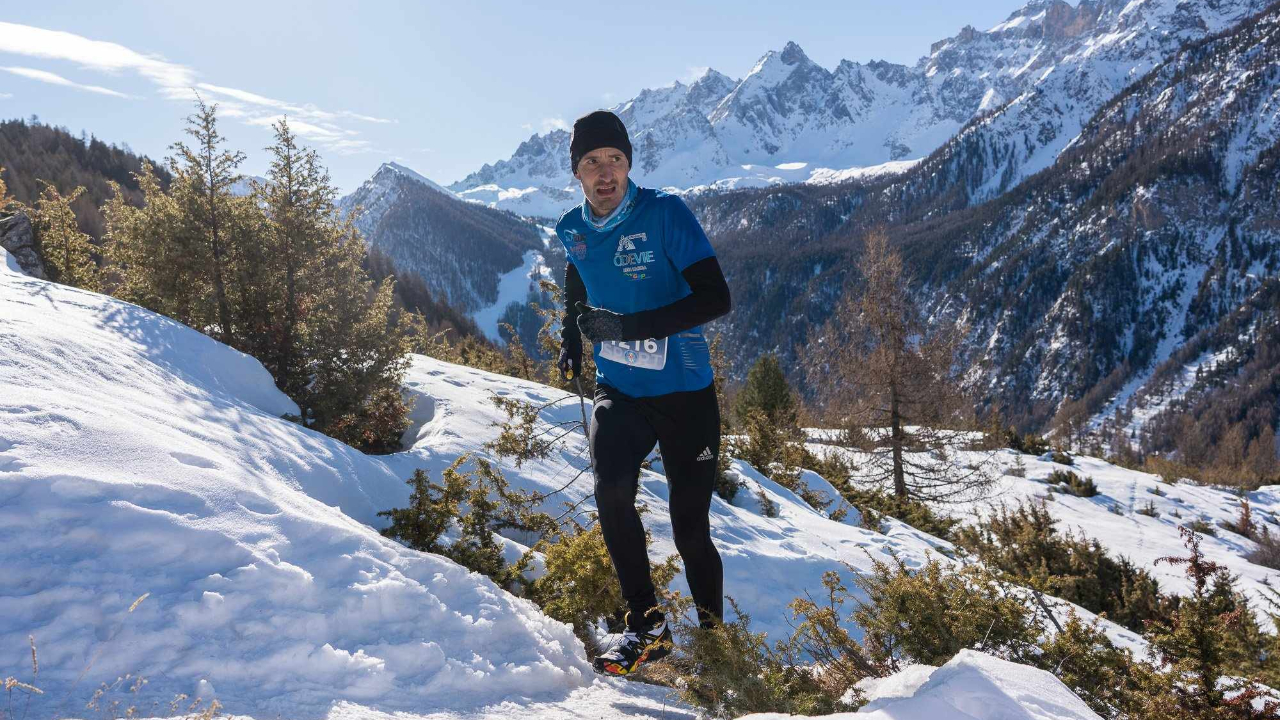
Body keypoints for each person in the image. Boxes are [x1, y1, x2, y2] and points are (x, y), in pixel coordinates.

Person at [554, 109, 732, 676]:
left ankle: (716, 643)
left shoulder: (664, 213)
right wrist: (572, 338)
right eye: (591, 162)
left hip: (684, 391)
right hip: (620, 389)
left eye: (615, 160)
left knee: (690, 529)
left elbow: (715, 297)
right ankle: (647, 625)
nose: (605, 173)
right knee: (611, 490)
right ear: (576, 173)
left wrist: (633, 327)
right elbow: (577, 278)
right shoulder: (572, 228)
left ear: (628, 164)